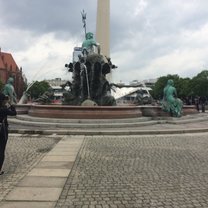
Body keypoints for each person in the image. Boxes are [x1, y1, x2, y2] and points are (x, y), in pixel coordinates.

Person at [0, 93, 17, 175]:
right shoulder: (4, 110)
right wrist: (11, 104)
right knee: (1, 150)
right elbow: (14, 113)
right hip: (2, 132)